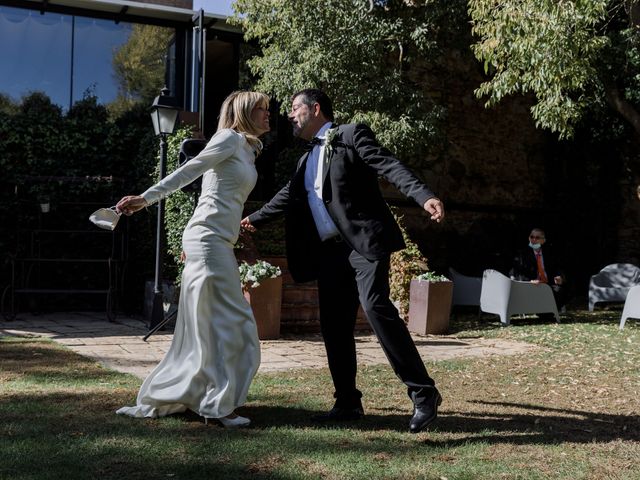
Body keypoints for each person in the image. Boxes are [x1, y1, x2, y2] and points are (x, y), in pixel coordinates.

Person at [241, 88, 445, 434]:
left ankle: (424, 394)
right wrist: (253, 219)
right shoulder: (305, 160)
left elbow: (388, 164)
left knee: (376, 306)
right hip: (331, 253)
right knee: (334, 324)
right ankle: (347, 402)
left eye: (295, 109)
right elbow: (288, 197)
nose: (290, 115)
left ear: (315, 109)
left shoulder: (350, 135)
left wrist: (423, 195)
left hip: (363, 244)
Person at [115, 90, 271, 428]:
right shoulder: (228, 139)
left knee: (210, 326)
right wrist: (145, 198)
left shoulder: (247, 149)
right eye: (261, 109)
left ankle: (206, 398)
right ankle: (218, 405)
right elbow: (190, 171)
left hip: (219, 241)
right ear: (244, 112)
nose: (267, 115)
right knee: (235, 322)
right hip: (207, 239)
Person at [510, 227, 568, 311]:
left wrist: (560, 277)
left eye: (537, 238)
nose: (533, 239)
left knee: (561, 289)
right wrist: (530, 281)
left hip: (547, 283)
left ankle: (551, 311)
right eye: (531, 237)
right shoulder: (522, 254)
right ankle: (546, 312)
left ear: (543, 240)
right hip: (531, 284)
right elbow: (517, 272)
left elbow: (558, 268)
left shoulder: (549, 253)